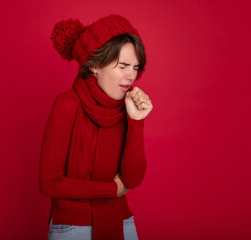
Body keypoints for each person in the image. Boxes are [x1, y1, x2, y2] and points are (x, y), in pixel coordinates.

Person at [39, 14, 153, 240]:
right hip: (73, 228)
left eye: (135, 67)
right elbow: (50, 183)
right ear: (94, 66)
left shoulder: (126, 107)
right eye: (123, 66)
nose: (131, 76)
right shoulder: (68, 104)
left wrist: (136, 120)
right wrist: (113, 190)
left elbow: (132, 179)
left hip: (121, 223)